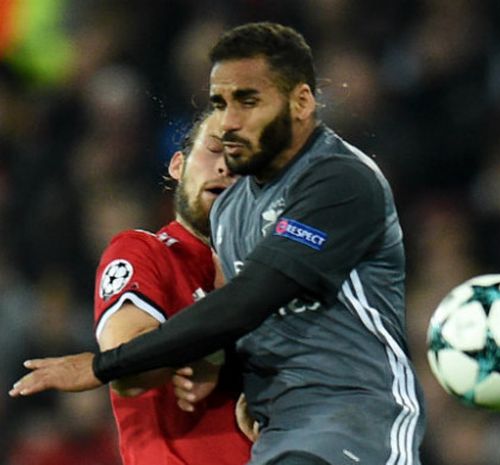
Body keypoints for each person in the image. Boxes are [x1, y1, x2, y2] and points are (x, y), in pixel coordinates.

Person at [10, 22, 426, 465]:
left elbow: (251, 300)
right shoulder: (145, 251)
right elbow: (134, 368)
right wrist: (210, 360)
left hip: (347, 425)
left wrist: (109, 366)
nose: (228, 151)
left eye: (247, 104)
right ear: (176, 165)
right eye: (215, 139)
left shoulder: (333, 182)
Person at [90, 112, 251, 465]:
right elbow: (126, 363)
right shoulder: (144, 253)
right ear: (178, 165)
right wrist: (216, 349)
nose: (225, 167)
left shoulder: (274, 280)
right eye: (212, 151)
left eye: (241, 159)